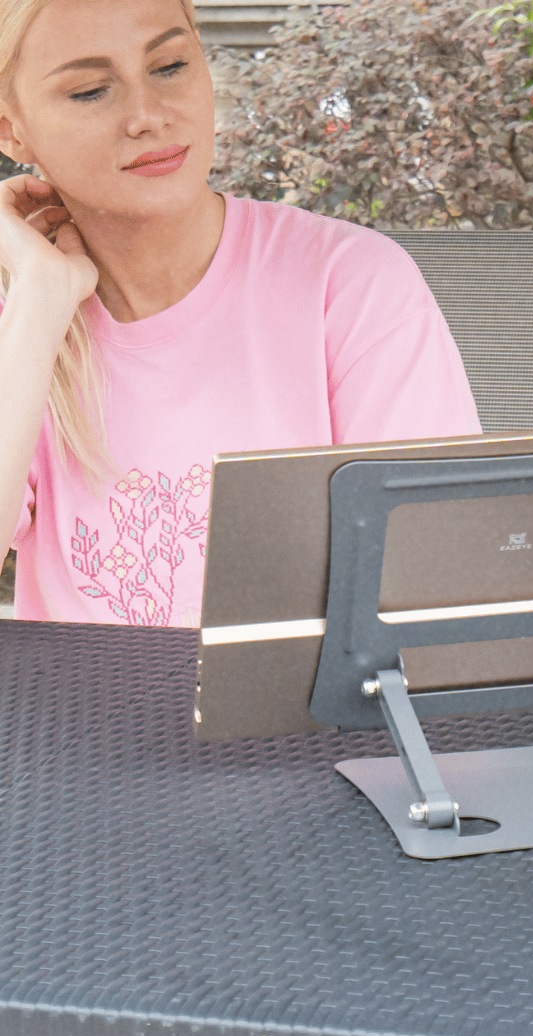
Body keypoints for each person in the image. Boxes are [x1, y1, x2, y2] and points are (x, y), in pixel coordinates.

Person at [0, 0, 482, 627]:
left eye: (170, 66)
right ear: (12, 131)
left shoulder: (350, 282)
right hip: (78, 718)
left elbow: (435, 570)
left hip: (306, 721)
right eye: (91, 91)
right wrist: (39, 302)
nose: (147, 116)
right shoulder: (22, 317)